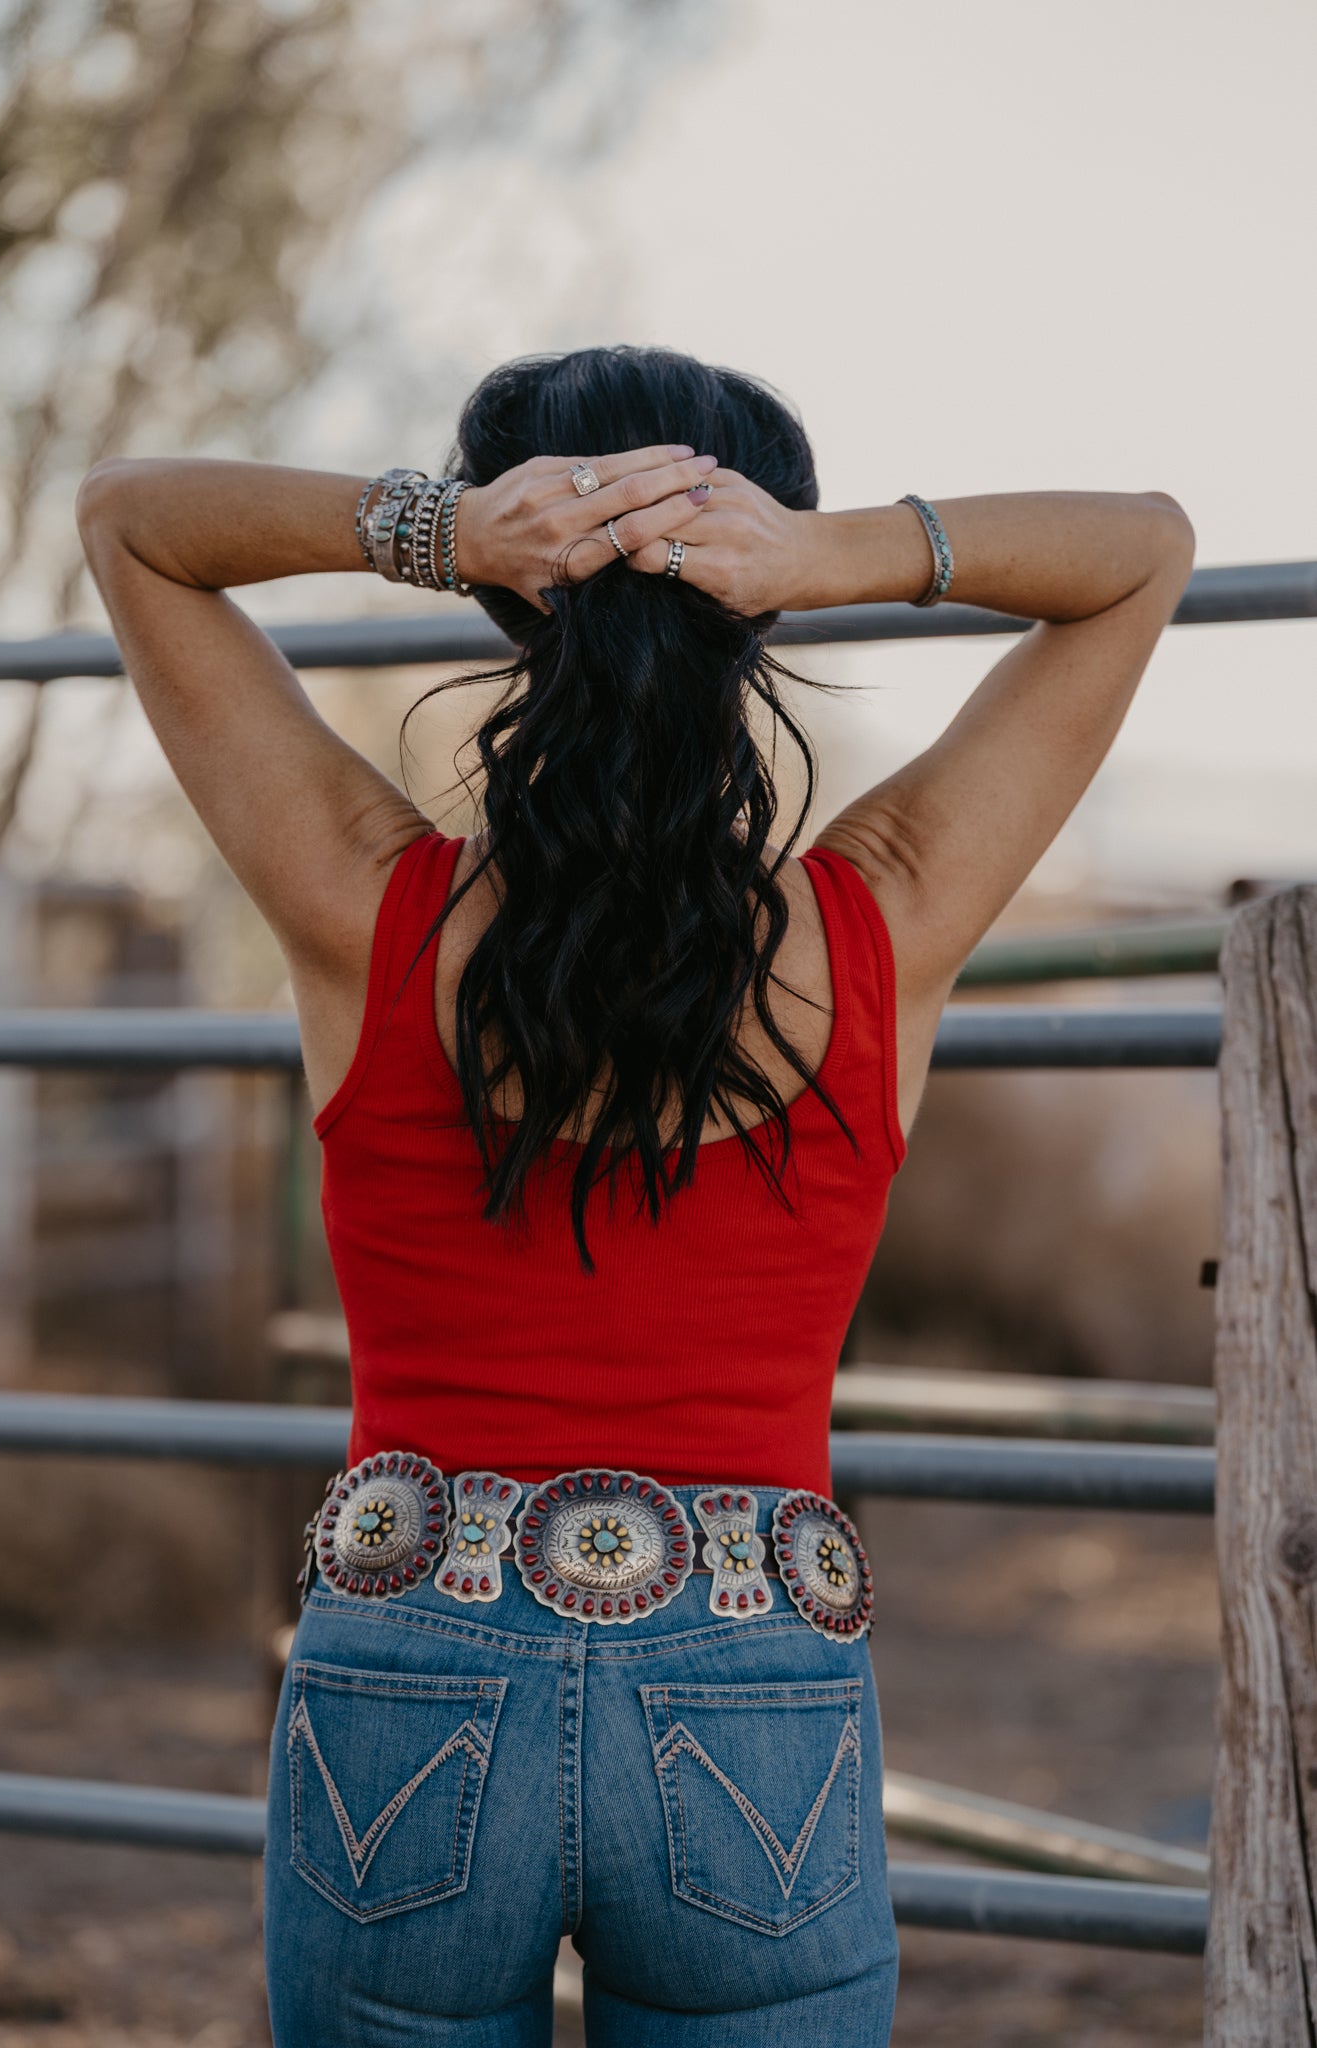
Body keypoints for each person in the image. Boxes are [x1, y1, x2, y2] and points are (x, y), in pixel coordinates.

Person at [76, 344, 1194, 2048]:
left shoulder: (369, 913)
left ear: (513, 599)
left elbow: (132, 523)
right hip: (755, 1686)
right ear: (758, 605)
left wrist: (437, 534)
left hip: (410, 1666)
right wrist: (835, 556)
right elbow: (1142, 554)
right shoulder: (879, 922)